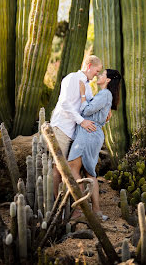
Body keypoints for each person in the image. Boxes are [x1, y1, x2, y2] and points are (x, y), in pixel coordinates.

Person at [68, 68, 121, 220]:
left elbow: (87, 111)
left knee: (73, 166)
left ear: (108, 80)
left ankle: (79, 209)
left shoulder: (105, 94)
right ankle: (96, 212)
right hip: (93, 133)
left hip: (88, 134)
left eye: (102, 74)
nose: (99, 75)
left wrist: (83, 94)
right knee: (89, 173)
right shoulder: (106, 95)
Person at [50, 55, 103, 197]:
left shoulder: (87, 86)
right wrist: (82, 122)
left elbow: (89, 107)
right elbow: (64, 103)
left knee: (68, 169)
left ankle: (67, 204)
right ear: (90, 66)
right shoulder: (72, 78)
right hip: (61, 127)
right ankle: (56, 205)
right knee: (57, 167)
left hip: (73, 132)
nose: (97, 75)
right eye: (97, 71)